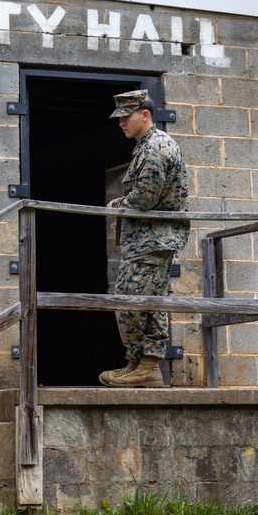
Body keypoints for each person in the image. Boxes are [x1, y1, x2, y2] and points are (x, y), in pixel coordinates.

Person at [100, 90, 189, 388]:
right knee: (150, 302)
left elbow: (146, 198)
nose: (121, 123)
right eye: (120, 118)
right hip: (150, 240)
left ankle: (144, 364)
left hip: (152, 241)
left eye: (126, 117)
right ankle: (142, 366)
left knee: (128, 299)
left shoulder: (153, 149)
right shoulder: (148, 146)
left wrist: (118, 205)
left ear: (145, 115)